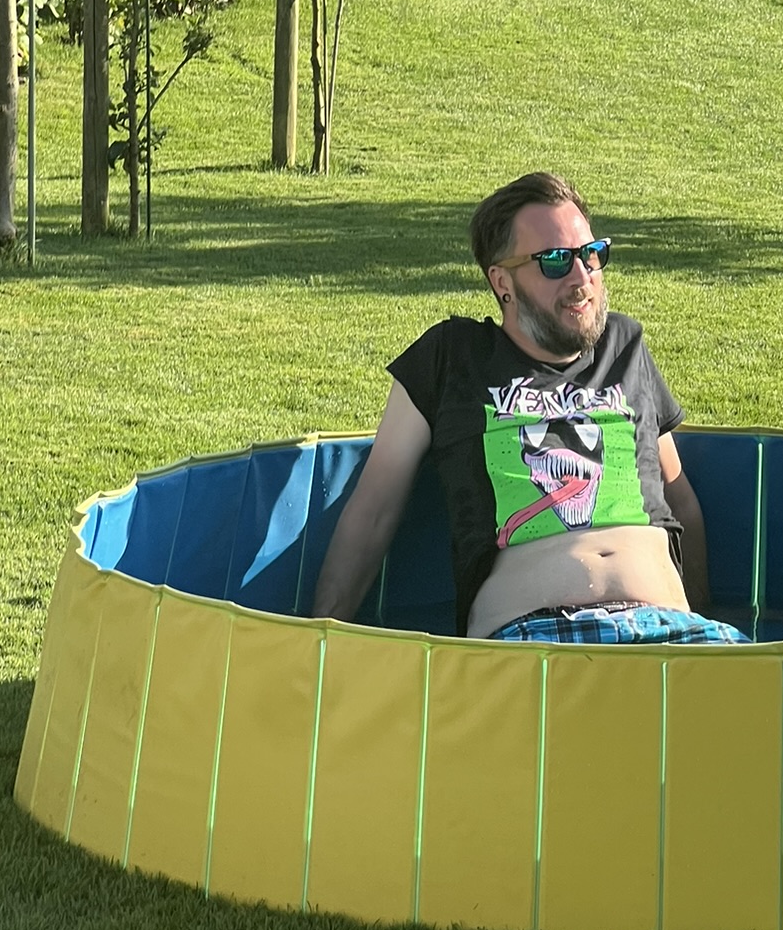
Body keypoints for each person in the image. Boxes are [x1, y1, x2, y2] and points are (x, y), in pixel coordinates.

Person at [311, 171, 745, 645]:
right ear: (503, 282)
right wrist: (318, 644)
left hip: (668, 629)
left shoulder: (625, 348)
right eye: (555, 261)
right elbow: (373, 510)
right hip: (534, 637)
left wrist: (702, 621)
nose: (582, 277)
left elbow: (679, 501)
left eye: (591, 254)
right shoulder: (452, 359)